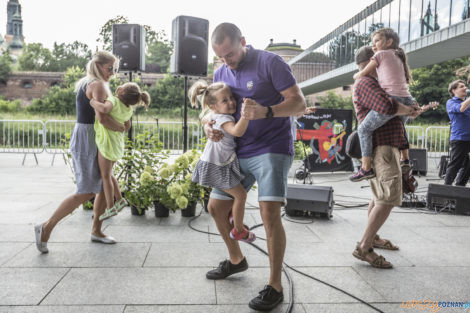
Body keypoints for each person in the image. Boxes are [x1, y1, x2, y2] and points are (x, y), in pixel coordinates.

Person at [204, 23, 306, 311]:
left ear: (243, 42)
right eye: (220, 57)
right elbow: (213, 109)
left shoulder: (270, 62)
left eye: (230, 54)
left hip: (271, 148)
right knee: (216, 207)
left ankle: (275, 285)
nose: (226, 61)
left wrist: (268, 111)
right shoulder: (221, 71)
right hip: (237, 150)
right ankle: (237, 260)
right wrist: (211, 129)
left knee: (268, 212)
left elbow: (299, 103)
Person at [34, 51, 129, 253]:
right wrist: (122, 128)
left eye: (115, 69)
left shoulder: (90, 82)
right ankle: (46, 227)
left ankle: (96, 230)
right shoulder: (99, 85)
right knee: (85, 191)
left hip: (90, 136)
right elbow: (102, 118)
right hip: (89, 137)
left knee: (104, 183)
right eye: (110, 68)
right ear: (98, 65)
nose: (113, 72)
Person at [351, 46, 417, 268]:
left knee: (378, 197)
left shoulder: (377, 83)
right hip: (381, 148)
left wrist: (407, 109)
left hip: (384, 147)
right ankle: (364, 246)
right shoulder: (365, 82)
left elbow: (392, 110)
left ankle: (373, 238)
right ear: (372, 61)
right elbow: (386, 106)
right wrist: (406, 108)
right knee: (387, 199)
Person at [189, 80, 255, 242]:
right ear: (214, 106)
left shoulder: (216, 115)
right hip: (217, 166)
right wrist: (246, 115)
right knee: (240, 196)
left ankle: (234, 215)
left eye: (231, 97)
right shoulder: (224, 118)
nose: (231, 102)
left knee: (236, 195)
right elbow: (237, 131)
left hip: (216, 164)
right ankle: (239, 230)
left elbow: (205, 118)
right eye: (224, 100)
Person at [351, 28, 416, 182]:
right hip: (406, 97)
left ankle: (365, 168)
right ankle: (405, 158)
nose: (374, 46)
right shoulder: (398, 56)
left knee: (363, 129)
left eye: (376, 41)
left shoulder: (378, 59)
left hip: (384, 146)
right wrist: (410, 108)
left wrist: (355, 76)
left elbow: (387, 107)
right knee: (401, 126)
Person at [89, 82, 150, 221]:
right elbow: (127, 126)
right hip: (117, 143)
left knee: (105, 176)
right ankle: (120, 199)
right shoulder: (128, 110)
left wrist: (93, 102)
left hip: (107, 142)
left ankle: (111, 206)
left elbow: (104, 109)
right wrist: (119, 126)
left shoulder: (114, 101)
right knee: (109, 174)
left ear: (121, 91)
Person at [444, 80, 470, 186]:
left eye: (465, 86)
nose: (465, 88)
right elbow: (461, 108)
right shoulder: (451, 102)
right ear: (454, 90)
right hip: (459, 139)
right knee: (455, 164)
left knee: (468, 166)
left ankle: (459, 188)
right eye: (461, 86)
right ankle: (446, 189)